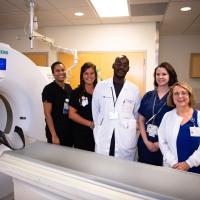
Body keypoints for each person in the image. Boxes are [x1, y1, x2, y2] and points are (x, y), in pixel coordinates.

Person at [92, 55, 140, 161]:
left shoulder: (134, 90)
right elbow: (95, 112)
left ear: (128, 68)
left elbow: (136, 114)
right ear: (113, 66)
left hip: (125, 136)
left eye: (124, 65)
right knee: (102, 167)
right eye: (118, 64)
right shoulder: (100, 86)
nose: (121, 67)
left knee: (123, 171)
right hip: (105, 132)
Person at [137, 62, 178, 166]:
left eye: (164, 74)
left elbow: (177, 124)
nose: (160, 77)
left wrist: (160, 144)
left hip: (166, 145)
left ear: (170, 76)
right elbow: (141, 119)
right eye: (157, 74)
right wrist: (146, 141)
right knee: (143, 172)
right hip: (145, 142)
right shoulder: (148, 95)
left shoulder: (175, 97)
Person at [158, 82, 200, 174]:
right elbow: (162, 142)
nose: (180, 96)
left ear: (189, 95)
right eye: (176, 94)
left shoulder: (199, 116)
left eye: (184, 93)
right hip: (173, 168)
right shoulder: (167, 116)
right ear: (172, 98)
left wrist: (188, 163)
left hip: (196, 169)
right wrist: (173, 163)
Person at [42, 61, 73, 147]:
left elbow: (70, 107)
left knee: (68, 158)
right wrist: (54, 135)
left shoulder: (68, 87)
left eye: (63, 70)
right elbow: (47, 114)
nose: (61, 73)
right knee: (55, 159)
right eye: (57, 70)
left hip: (68, 131)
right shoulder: (48, 89)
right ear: (53, 73)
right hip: (56, 132)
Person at [69, 62, 97, 151]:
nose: (89, 76)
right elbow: (71, 114)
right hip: (82, 135)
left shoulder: (100, 91)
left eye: (92, 73)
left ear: (95, 75)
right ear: (82, 76)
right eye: (86, 73)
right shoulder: (76, 93)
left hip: (98, 134)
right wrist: (90, 124)